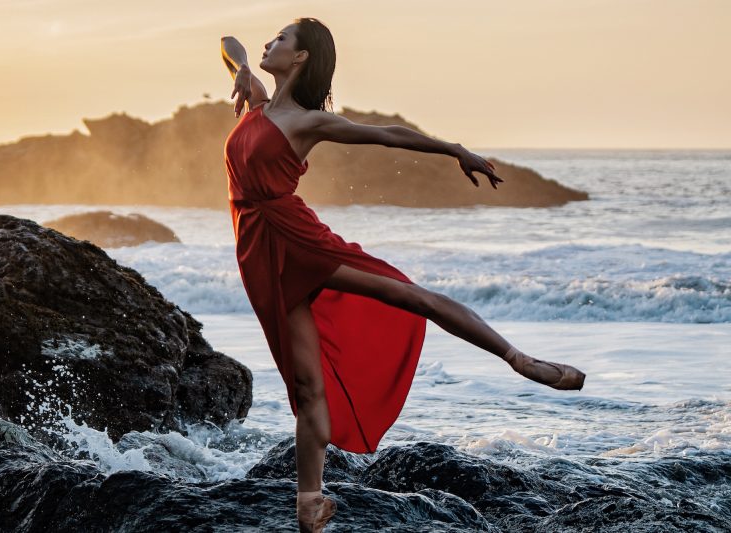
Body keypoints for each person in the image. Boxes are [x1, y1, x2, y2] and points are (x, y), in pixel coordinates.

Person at [221, 18, 585, 532]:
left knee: (412, 298)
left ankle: (520, 359)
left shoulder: (306, 122)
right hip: (257, 248)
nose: (267, 43)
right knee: (306, 385)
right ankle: (310, 503)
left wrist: (454, 150)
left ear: (300, 58)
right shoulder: (256, 99)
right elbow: (229, 43)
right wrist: (238, 70)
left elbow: (386, 135)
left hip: (297, 241)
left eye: (281, 39)